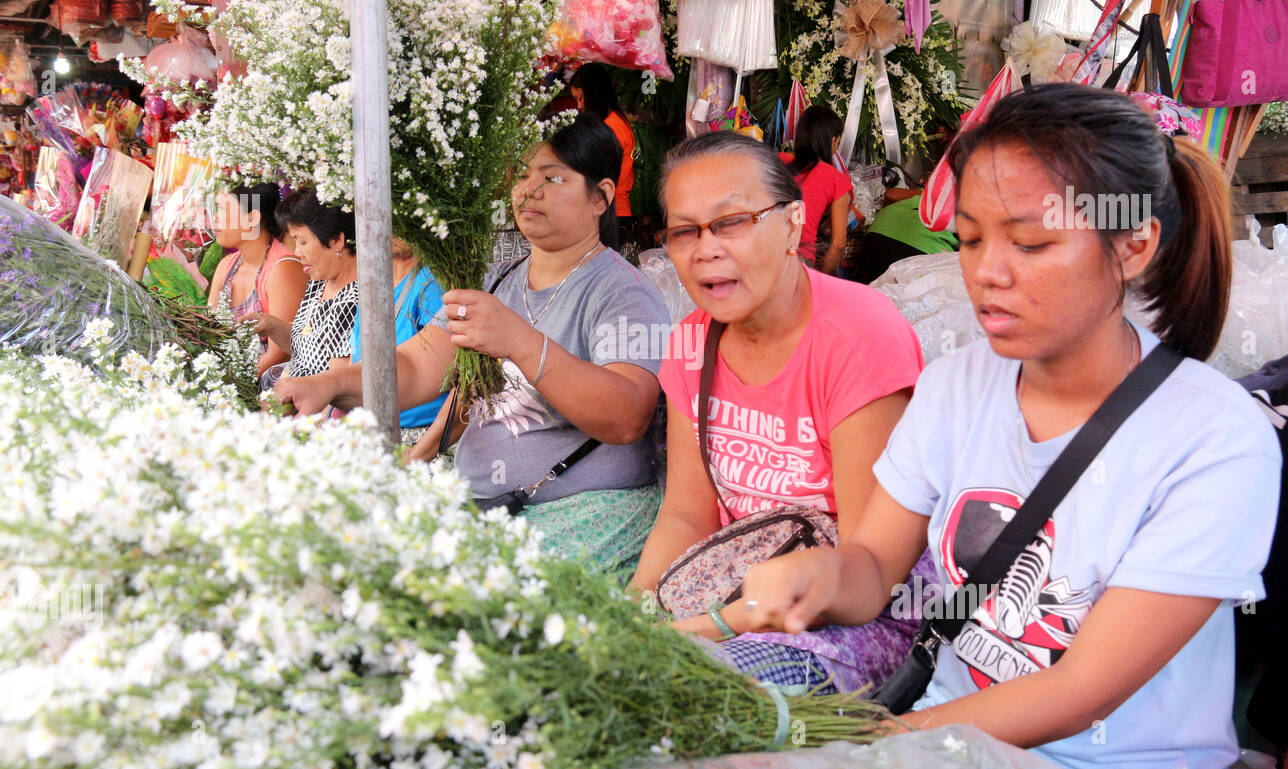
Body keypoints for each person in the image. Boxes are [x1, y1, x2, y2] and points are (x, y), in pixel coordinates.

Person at [735, 83, 1281, 769]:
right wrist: (822, 572)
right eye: (968, 239)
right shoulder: (955, 386)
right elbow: (873, 569)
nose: (986, 273)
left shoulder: (1215, 439)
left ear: (1134, 243)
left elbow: (1077, 693)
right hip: (949, 744)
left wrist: (873, 744)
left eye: (1030, 242)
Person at [275, 114, 670, 581]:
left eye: (553, 177)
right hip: (483, 505)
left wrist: (521, 342)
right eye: (522, 175)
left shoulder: (622, 292)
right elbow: (419, 367)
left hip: (579, 514)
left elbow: (627, 415)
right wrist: (331, 383)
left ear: (601, 197)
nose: (530, 190)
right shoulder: (497, 282)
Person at [628, 129, 936, 694]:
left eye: (732, 222)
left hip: (847, 611)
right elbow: (685, 516)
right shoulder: (690, 342)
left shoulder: (858, 334)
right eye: (684, 231)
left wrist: (691, 631)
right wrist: (632, 611)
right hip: (734, 585)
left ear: (794, 222)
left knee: (678, 699)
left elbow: (868, 563)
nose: (706, 248)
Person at [250, 188, 359, 389]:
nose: (297, 251)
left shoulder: (354, 300)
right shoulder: (320, 281)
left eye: (302, 241)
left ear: (336, 240)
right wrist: (271, 325)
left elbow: (335, 387)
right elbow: (306, 346)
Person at [349, 238, 447, 447]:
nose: (393, 228)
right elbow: (355, 362)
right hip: (372, 428)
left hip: (418, 436)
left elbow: (448, 371)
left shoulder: (431, 282)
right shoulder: (372, 287)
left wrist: (421, 451)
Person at [206, 182, 309, 376]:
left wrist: (227, 382)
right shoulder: (226, 265)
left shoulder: (283, 269)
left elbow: (278, 356)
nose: (216, 218)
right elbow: (208, 331)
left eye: (224, 209)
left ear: (252, 218)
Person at [570, 62, 635, 250]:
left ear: (595, 94)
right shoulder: (614, 122)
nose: (579, 106)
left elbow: (597, 173)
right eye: (576, 100)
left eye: (582, 98)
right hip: (612, 212)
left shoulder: (612, 128)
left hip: (612, 214)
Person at [781, 104, 851, 275]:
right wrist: (821, 279)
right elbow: (839, 245)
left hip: (758, 251)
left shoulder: (773, 161)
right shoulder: (836, 180)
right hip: (797, 260)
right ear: (833, 140)